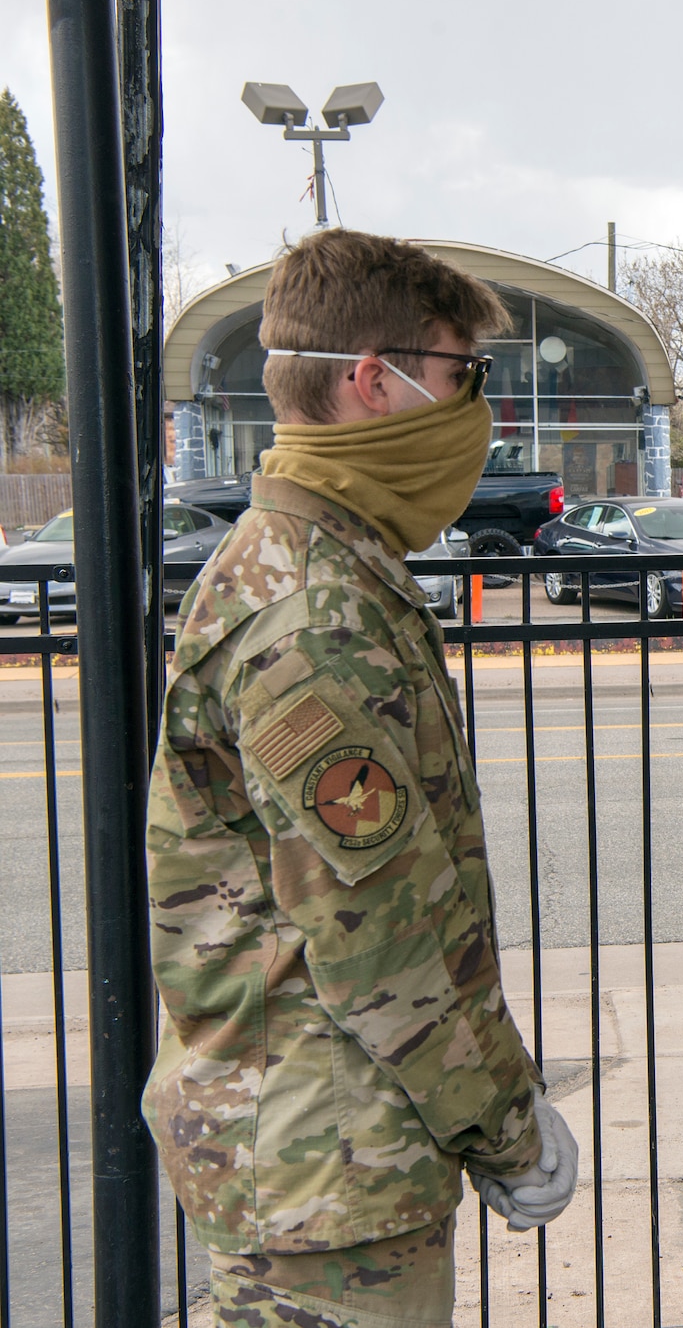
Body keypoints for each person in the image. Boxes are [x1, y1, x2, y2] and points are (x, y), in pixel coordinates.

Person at [144, 229, 577, 1328]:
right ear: (372, 382)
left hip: (330, 1157)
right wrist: (504, 1121)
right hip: (324, 1170)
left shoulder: (333, 563)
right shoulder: (309, 608)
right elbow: (378, 926)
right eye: (462, 375)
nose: (478, 410)